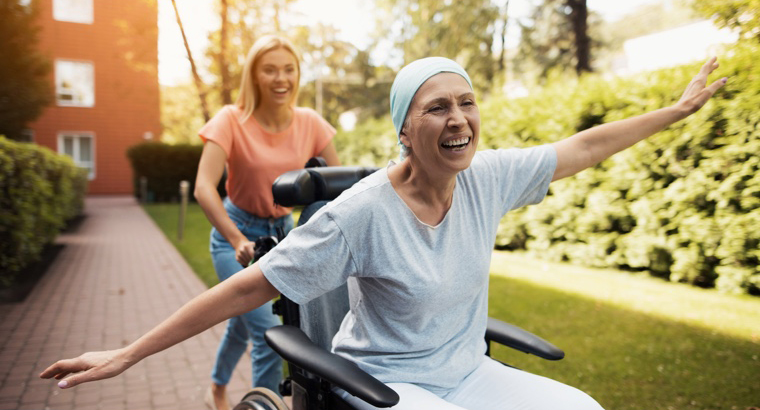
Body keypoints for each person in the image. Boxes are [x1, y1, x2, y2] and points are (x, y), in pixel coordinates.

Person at [40, 56, 726, 410]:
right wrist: (128, 354)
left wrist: (676, 109)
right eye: (436, 108)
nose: (458, 119)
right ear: (405, 128)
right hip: (387, 384)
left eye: (466, 103)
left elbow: (585, 146)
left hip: (468, 374)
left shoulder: (487, 176)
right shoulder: (361, 212)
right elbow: (248, 288)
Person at [193, 34, 339, 410]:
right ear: (254, 76)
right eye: (270, 70)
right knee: (270, 334)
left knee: (242, 324)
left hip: (284, 235)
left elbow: (338, 187)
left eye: (289, 70)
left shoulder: (310, 123)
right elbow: (203, 188)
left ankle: (215, 389)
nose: (281, 79)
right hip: (236, 238)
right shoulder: (231, 120)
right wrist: (237, 238)